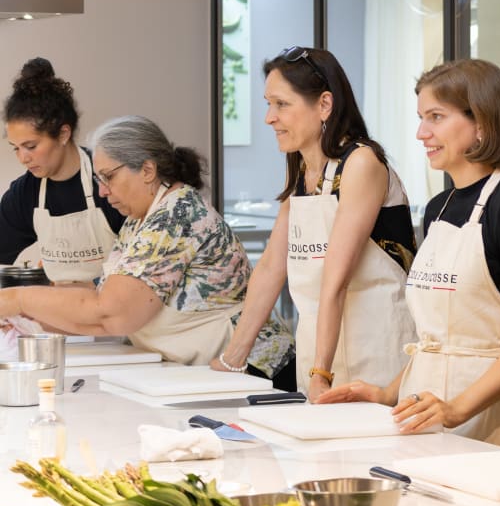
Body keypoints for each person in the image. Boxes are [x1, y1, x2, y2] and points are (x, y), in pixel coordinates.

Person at [319, 59, 500, 450]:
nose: (421, 133)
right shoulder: (437, 208)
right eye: (420, 118)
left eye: (436, 117)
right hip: (421, 409)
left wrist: (458, 409)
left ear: (482, 122)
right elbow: (437, 340)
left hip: (491, 417)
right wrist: (386, 393)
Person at [0, 115, 294, 382]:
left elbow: (113, 314)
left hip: (254, 370)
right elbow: (100, 296)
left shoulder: (176, 215)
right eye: (98, 180)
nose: (103, 191)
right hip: (203, 369)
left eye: (109, 177)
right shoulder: (137, 221)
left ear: (147, 170)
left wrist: (19, 300)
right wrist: (30, 319)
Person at [213, 46, 417, 400]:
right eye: (268, 104)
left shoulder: (361, 163)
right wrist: (233, 359)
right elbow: (270, 271)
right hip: (319, 354)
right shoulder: (304, 174)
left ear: (324, 104)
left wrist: (322, 372)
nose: (269, 118)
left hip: (378, 354)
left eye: (281, 104)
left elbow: (334, 279)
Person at [0, 58, 124, 283]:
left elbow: (144, 267)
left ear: (63, 134)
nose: (23, 158)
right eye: (15, 149)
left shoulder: (109, 180)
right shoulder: (25, 193)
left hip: (119, 310)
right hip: (60, 312)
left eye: (31, 146)